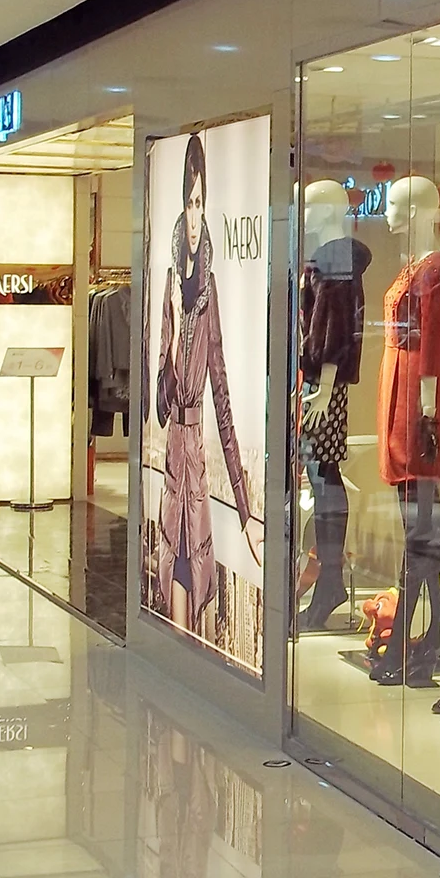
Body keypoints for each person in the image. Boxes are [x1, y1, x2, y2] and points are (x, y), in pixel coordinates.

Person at [154, 134, 264, 636]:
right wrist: (177, 326)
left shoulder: (210, 288)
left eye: (201, 202)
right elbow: (161, 402)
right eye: (189, 201)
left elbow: (221, 393)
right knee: (173, 558)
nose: (195, 216)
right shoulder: (170, 285)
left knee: (192, 562)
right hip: (172, 455)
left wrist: (244, 511)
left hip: (196, 457)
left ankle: (187, 653)